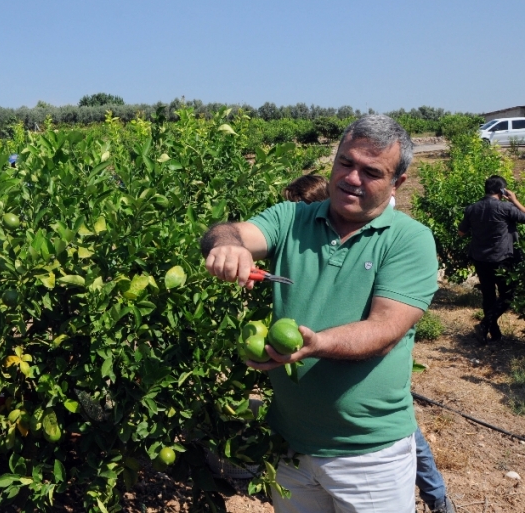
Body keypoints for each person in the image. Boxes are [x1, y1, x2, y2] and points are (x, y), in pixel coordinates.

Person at [202, 114, 439, 512]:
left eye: (371, 172)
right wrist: (229, 246)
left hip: (368, 455)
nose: (352, 178)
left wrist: (315, 344)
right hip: (289, 446)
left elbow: (384, 330)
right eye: (345, 163)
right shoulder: (290, 218)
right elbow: (232, 231)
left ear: (397, 183)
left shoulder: (409, 240)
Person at [282, 173, 455, 513]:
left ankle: (437, 497)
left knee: (408, 433)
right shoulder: (305, 241)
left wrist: (318, 341)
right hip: (305, 439)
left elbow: (384, 327)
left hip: (370, 422)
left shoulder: (396, 235)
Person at [458, 175, 525, 344]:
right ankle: (485, 324)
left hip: (480, 258)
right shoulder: (506, 208)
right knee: (508, 295)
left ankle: (493, 335)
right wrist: (515, 200)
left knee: (488, 296)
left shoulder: (472, 208)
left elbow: (461, 232)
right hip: (502, 258)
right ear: (502, 191)